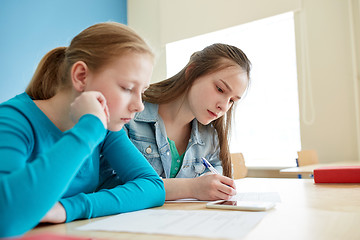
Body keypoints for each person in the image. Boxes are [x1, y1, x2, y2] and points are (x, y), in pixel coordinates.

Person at [0, 22, 165, 238]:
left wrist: (68, 208)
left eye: (142, 91)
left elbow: (153, 186)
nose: (139, 105)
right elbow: (6, 216)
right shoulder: (12, 119)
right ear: (81, 77)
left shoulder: (104, 128)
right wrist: (88, 130)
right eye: (127, 88)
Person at [124, 43, 251, 201]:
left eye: (232, 100)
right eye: (220, 89)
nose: (223, 107)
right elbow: (117, 185)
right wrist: (192, 188)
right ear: (192, 72)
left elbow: (217, 172)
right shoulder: (129, 113)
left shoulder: (210, 137)